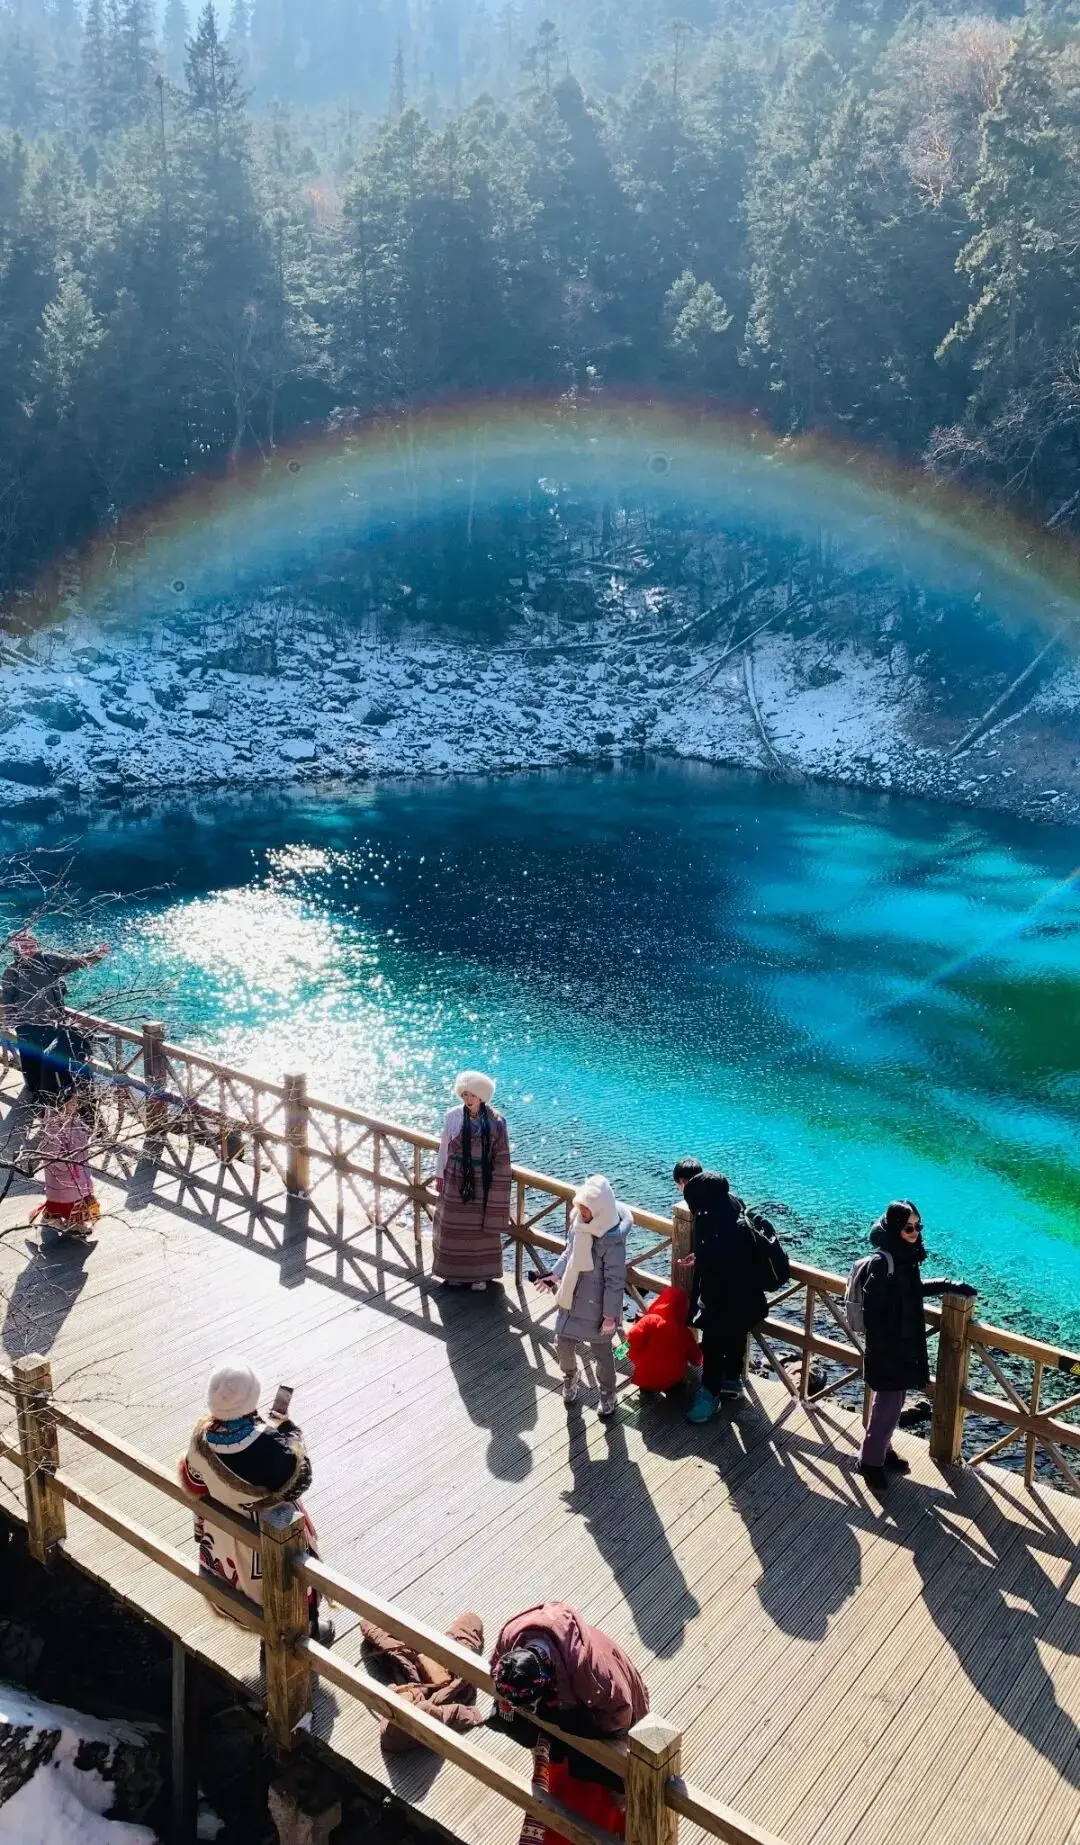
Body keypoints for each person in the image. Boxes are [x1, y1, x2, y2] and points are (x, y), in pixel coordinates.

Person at [178, 1358, 330, 1638]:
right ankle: (306, 1635)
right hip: (268, 1534)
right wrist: (288, 1430)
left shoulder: (200, 1437)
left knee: (247, 1593)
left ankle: (265, 1641)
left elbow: (192, 1482)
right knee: (291, 1585)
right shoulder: (269, 1446)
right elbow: (300, 1479)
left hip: (224, 1531)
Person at [489, 1601, 649, 1845]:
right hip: (565, 1706)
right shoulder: (511, 1635)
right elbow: (495, 1666)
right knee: (562, 1774)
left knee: (608, 1788)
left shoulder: (597, 1680)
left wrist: (571, 1723)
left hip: (603, 1714)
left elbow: (619, 1718)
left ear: (546, 1683)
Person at [858, 1201, 974, 1490]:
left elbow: (914, 1289)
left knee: (891, 1404)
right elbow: (874, 1312)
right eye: (908, 1227)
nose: (914, 1232)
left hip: (901, 1346)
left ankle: (881, 1451)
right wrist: (887, 1347)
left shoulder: (904, 1256)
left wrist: (949, 1284)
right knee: (888, 1405)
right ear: (896, 1227)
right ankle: (870, 1462)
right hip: (889, 1349)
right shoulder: (882, 1262)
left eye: (918, 1226)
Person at [535, 1174, 629, 1420]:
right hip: (572, 1297)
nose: (582, 1213)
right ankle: (570, 1377)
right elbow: (569, 1254)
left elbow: (615, 1281)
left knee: (603, 1354)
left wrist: (611, 1315)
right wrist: (554, 1276)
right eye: (580, 1208)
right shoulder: (578, 1225)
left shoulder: (612, 1241)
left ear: (600, 1210)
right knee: (562, 1343)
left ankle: (608, 1394)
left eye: (586, 1210)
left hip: (597, 1308)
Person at [680, 1167, 763, 1423]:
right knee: (737, 1335)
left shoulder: (714, 1220)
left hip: (721, 1295)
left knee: (713, 1343)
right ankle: (733, 1381)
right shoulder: (736, 1207)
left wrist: (702, 1260)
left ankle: (709, 1393)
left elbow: (719, 1258)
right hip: (747, 1296)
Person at [1, 930, 108, 1104]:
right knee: (30, 1062)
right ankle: (35, 1093)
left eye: (31, 945)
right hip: (26, 1024)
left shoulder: (49, 960)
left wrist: (96, 955)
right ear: (16, 948)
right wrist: (14, 1021)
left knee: (51, 1060)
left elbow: (75, 962)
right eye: (23, 946)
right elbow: (7, 998)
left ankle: (55, 1094)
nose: (28, 949)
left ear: (37, 944)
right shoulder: (12, 971)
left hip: (53, 1023)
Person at [360, 1612, 486, 1753]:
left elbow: (369, 1622)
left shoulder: (392, 1728)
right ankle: (453, 1644)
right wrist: (471, 1715)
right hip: (442, 1688)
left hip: (415, 1682)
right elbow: (452, 1714)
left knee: (467, 1628)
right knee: (470, 1626)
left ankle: (451, 1645)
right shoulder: (419, 1713)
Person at [432, 1070, 512, 1290]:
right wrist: (440, 1175)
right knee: (453, 1225)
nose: (468, 1099)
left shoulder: (496, 1121)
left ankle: (480, 1276)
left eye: (473, 1095)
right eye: (465, 1094)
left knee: (478, 1229)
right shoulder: (453, 1116)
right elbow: (444, 1148)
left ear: (482, 1097)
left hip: (483, 1181)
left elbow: (502, 1156)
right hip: (456, 1177)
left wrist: (498, 1185)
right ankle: (453, 1273)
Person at [29, 1086, 100, 1239]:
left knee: (75, 1197)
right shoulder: (54, 1127)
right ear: (62, 1104)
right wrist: (68, 1164)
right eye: (73, 1102)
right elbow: (52, 1153)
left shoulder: (72, 1118)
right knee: (68, 1200)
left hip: (77, 1166)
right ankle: (64, 1220)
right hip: (66, 1172)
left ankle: (65, 1220)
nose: (76, 1105)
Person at [626, 1285, 699, 1395]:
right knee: (676, 1377)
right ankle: (673, 1388)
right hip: (672, 1378)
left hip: (646, 1376)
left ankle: (647, 1387)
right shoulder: (684, 1332)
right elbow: (696, 1358)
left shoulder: (650, 1320)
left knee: (646, 1369)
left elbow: (632, 1339)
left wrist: (633, 1353)